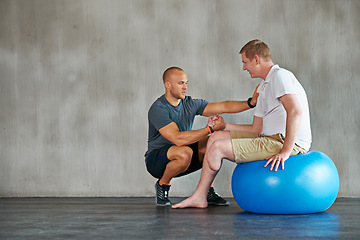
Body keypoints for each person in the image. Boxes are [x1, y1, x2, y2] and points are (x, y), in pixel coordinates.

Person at [172, 39, 312, 209]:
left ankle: (200, 195)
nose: (244, 68)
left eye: (245, 62)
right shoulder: (262, 87)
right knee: (215, 136)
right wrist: (224, 126)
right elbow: (256, 129)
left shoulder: (280, 76)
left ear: (256, 59)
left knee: (217, 149)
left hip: (286, 142)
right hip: (269, 137)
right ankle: (201, 195)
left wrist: (286, 152)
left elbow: (295, 111)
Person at [145, 66, 259, 206]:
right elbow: (178, 139)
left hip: (184, 154)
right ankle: (163, 184)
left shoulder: (190, 103)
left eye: (186, 83)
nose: (185, 87)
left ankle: (207, 190)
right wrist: (209, 129)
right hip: (157, 160)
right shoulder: (158, 109)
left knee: (214, 142)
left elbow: (223, 106)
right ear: (167, 85)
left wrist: (250, 103)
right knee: (185, 151)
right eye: (181, 83)